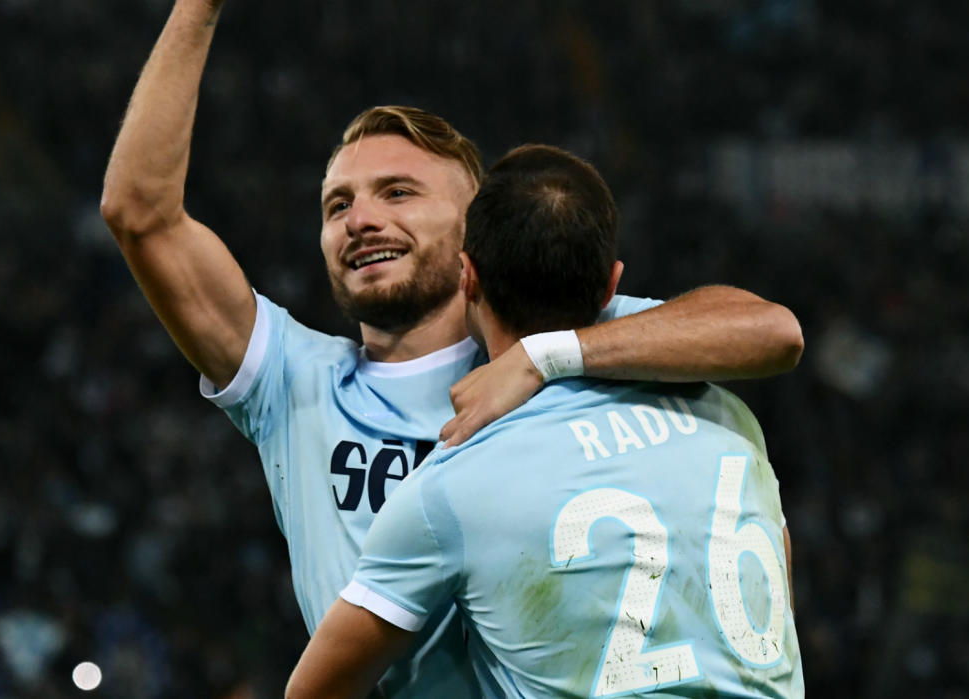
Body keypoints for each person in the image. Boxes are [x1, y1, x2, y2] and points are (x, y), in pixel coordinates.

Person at [100, 1, 803, 694]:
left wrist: (543, 356)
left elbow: (764, 327)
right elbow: (140, 212)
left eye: (397, 192)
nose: (361, 219)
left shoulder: (568, 332)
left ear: (474, 233)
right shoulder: (293, 381)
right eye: (336, 205)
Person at [287, 145, 803, 698]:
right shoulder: (728, 421)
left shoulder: (453, 485)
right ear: (612, 285)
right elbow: (776, 597)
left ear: (467, 277)